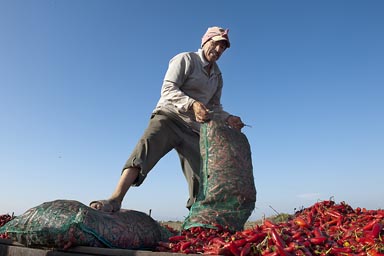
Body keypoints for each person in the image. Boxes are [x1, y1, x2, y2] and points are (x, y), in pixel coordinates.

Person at [90, 26, 245, 212]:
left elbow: (214, 107)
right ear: (205, 41)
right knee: (144, 150)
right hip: (169, 117)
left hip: (194, 129)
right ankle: (115, 199)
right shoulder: (186, 59)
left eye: (223, 48)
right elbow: (168, 89)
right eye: (216, 44)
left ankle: (197, 219)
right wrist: (193, 104)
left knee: (203, 175)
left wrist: (229, 118)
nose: (219, 50)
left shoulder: (217, 77)